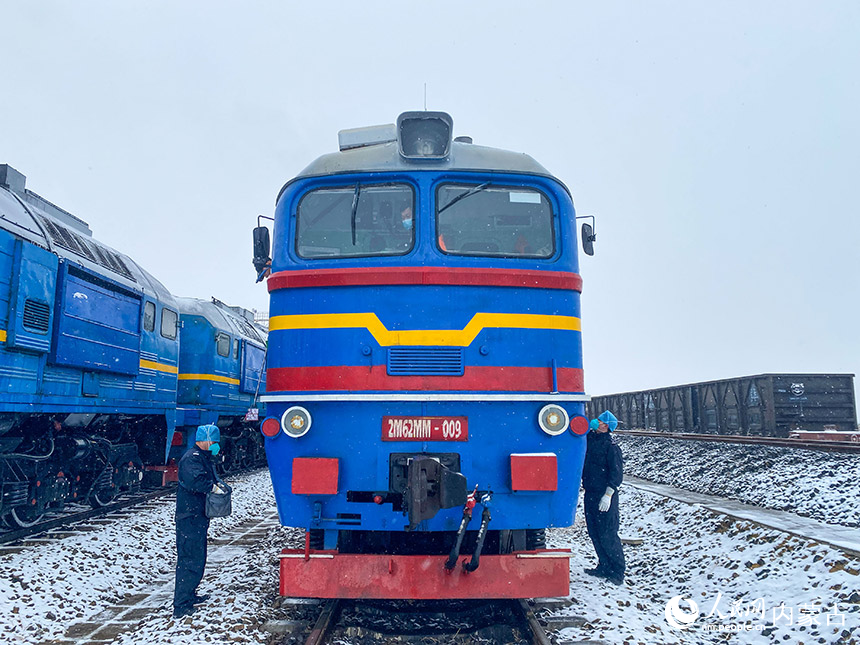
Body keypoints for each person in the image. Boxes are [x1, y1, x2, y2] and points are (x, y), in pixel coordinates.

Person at [173, 424, 221, 618]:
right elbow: (196, 482)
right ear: (206, 440)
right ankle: (181, 605)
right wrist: (213, 487)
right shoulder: (192, 458)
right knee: (189, 560)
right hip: (189, 517)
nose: (216, 445)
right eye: (215, 442)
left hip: (196, 516)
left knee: (197, 558)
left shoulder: (200, 457)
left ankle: (190, 595)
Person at [581, 410, 626, 585]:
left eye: (599, 420)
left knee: (608, 533)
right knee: (594, 532)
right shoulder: (591, 439)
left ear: (605, 426)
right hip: (590, 492)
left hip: (605, 495)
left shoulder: (611, 447)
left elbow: (616, 474)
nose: (595, 421)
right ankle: (603, 565)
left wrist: (608, 494)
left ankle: (617, 571)